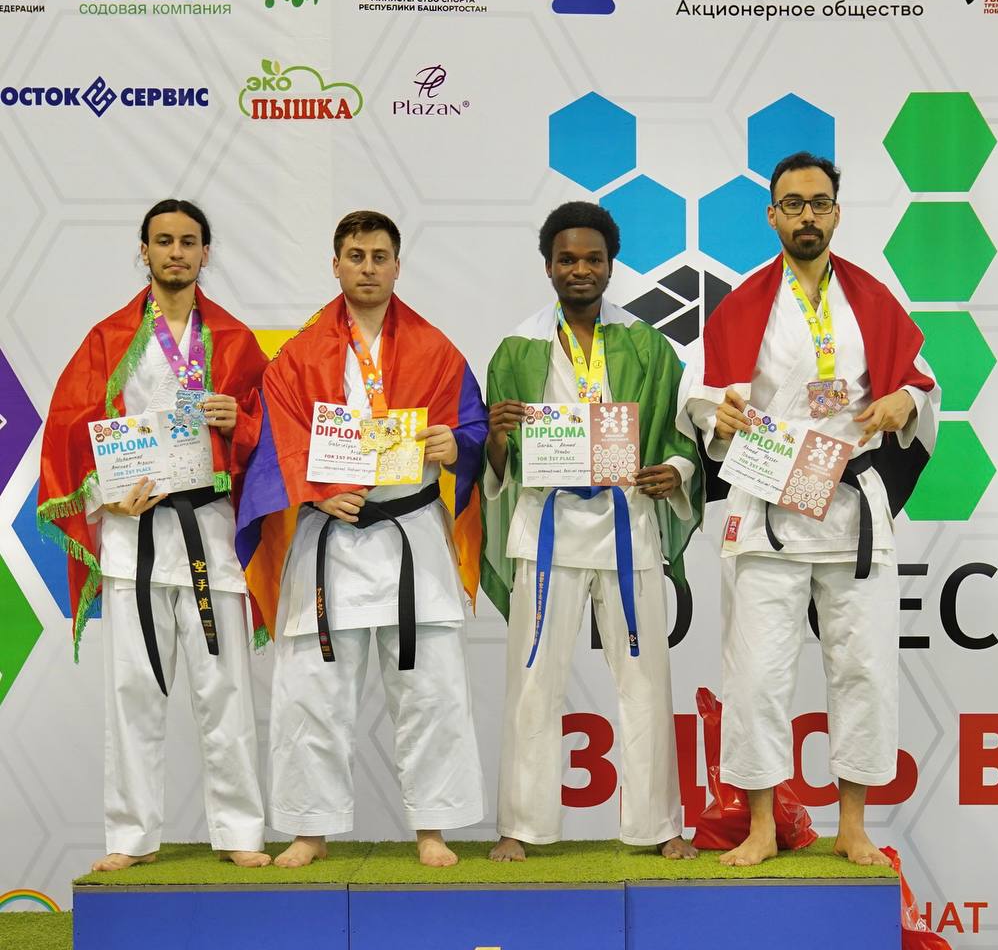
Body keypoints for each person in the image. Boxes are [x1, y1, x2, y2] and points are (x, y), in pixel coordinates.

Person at [680, 151, 939, 868]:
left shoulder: (871, 298)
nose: (806, 217)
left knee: (863, 669)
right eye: (792, 204)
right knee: (756, 675)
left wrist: (904, 400)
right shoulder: (741, 305)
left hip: (851, 508)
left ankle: (852, 824)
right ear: (772, 216)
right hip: (770, 502)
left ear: (836, 212)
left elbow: (922, 381)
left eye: (818, 203)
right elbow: (701, 390)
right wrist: (713, 412)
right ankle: (762, 825)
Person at [235, 210, 489, 868]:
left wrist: (455, 444)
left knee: (430, 691)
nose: (367, 267)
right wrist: (313, 491)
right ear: (336, 264)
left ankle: (433, 827)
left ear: (398, 266)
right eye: (355, 255)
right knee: (311, 693)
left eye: (379, 256)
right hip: (330, 538)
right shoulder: (298, 356)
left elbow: (474, 427)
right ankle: (309, 830)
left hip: (412, 537)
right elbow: (273, 439)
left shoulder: (436, 349)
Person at [38, 199, 270, 871]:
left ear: (205, 252)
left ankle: (239, 831)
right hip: (133, 535)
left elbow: (272, 431)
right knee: (133, 693)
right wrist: (103, 495)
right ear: (144, 251)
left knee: (225, 689)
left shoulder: (235, 341)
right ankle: (130, 836)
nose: (176, 252)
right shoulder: (108, 338)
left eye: (188, 241)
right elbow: (70, 427)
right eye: (163, 241)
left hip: (210, 535)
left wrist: (238, 423)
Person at [480, 201, 703, 862]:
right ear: (547, 265)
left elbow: (678, 438)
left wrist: (672, 471)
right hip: (544, 529)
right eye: (567, 259)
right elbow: (494, 460)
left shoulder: (647, 344)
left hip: (626, 524)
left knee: (646, 680)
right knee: (532, 682)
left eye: (593, 259)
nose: (580, 270)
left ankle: (658, 824)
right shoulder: (516, 346)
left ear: (610, 264)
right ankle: (520, 826)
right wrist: (497, 439)